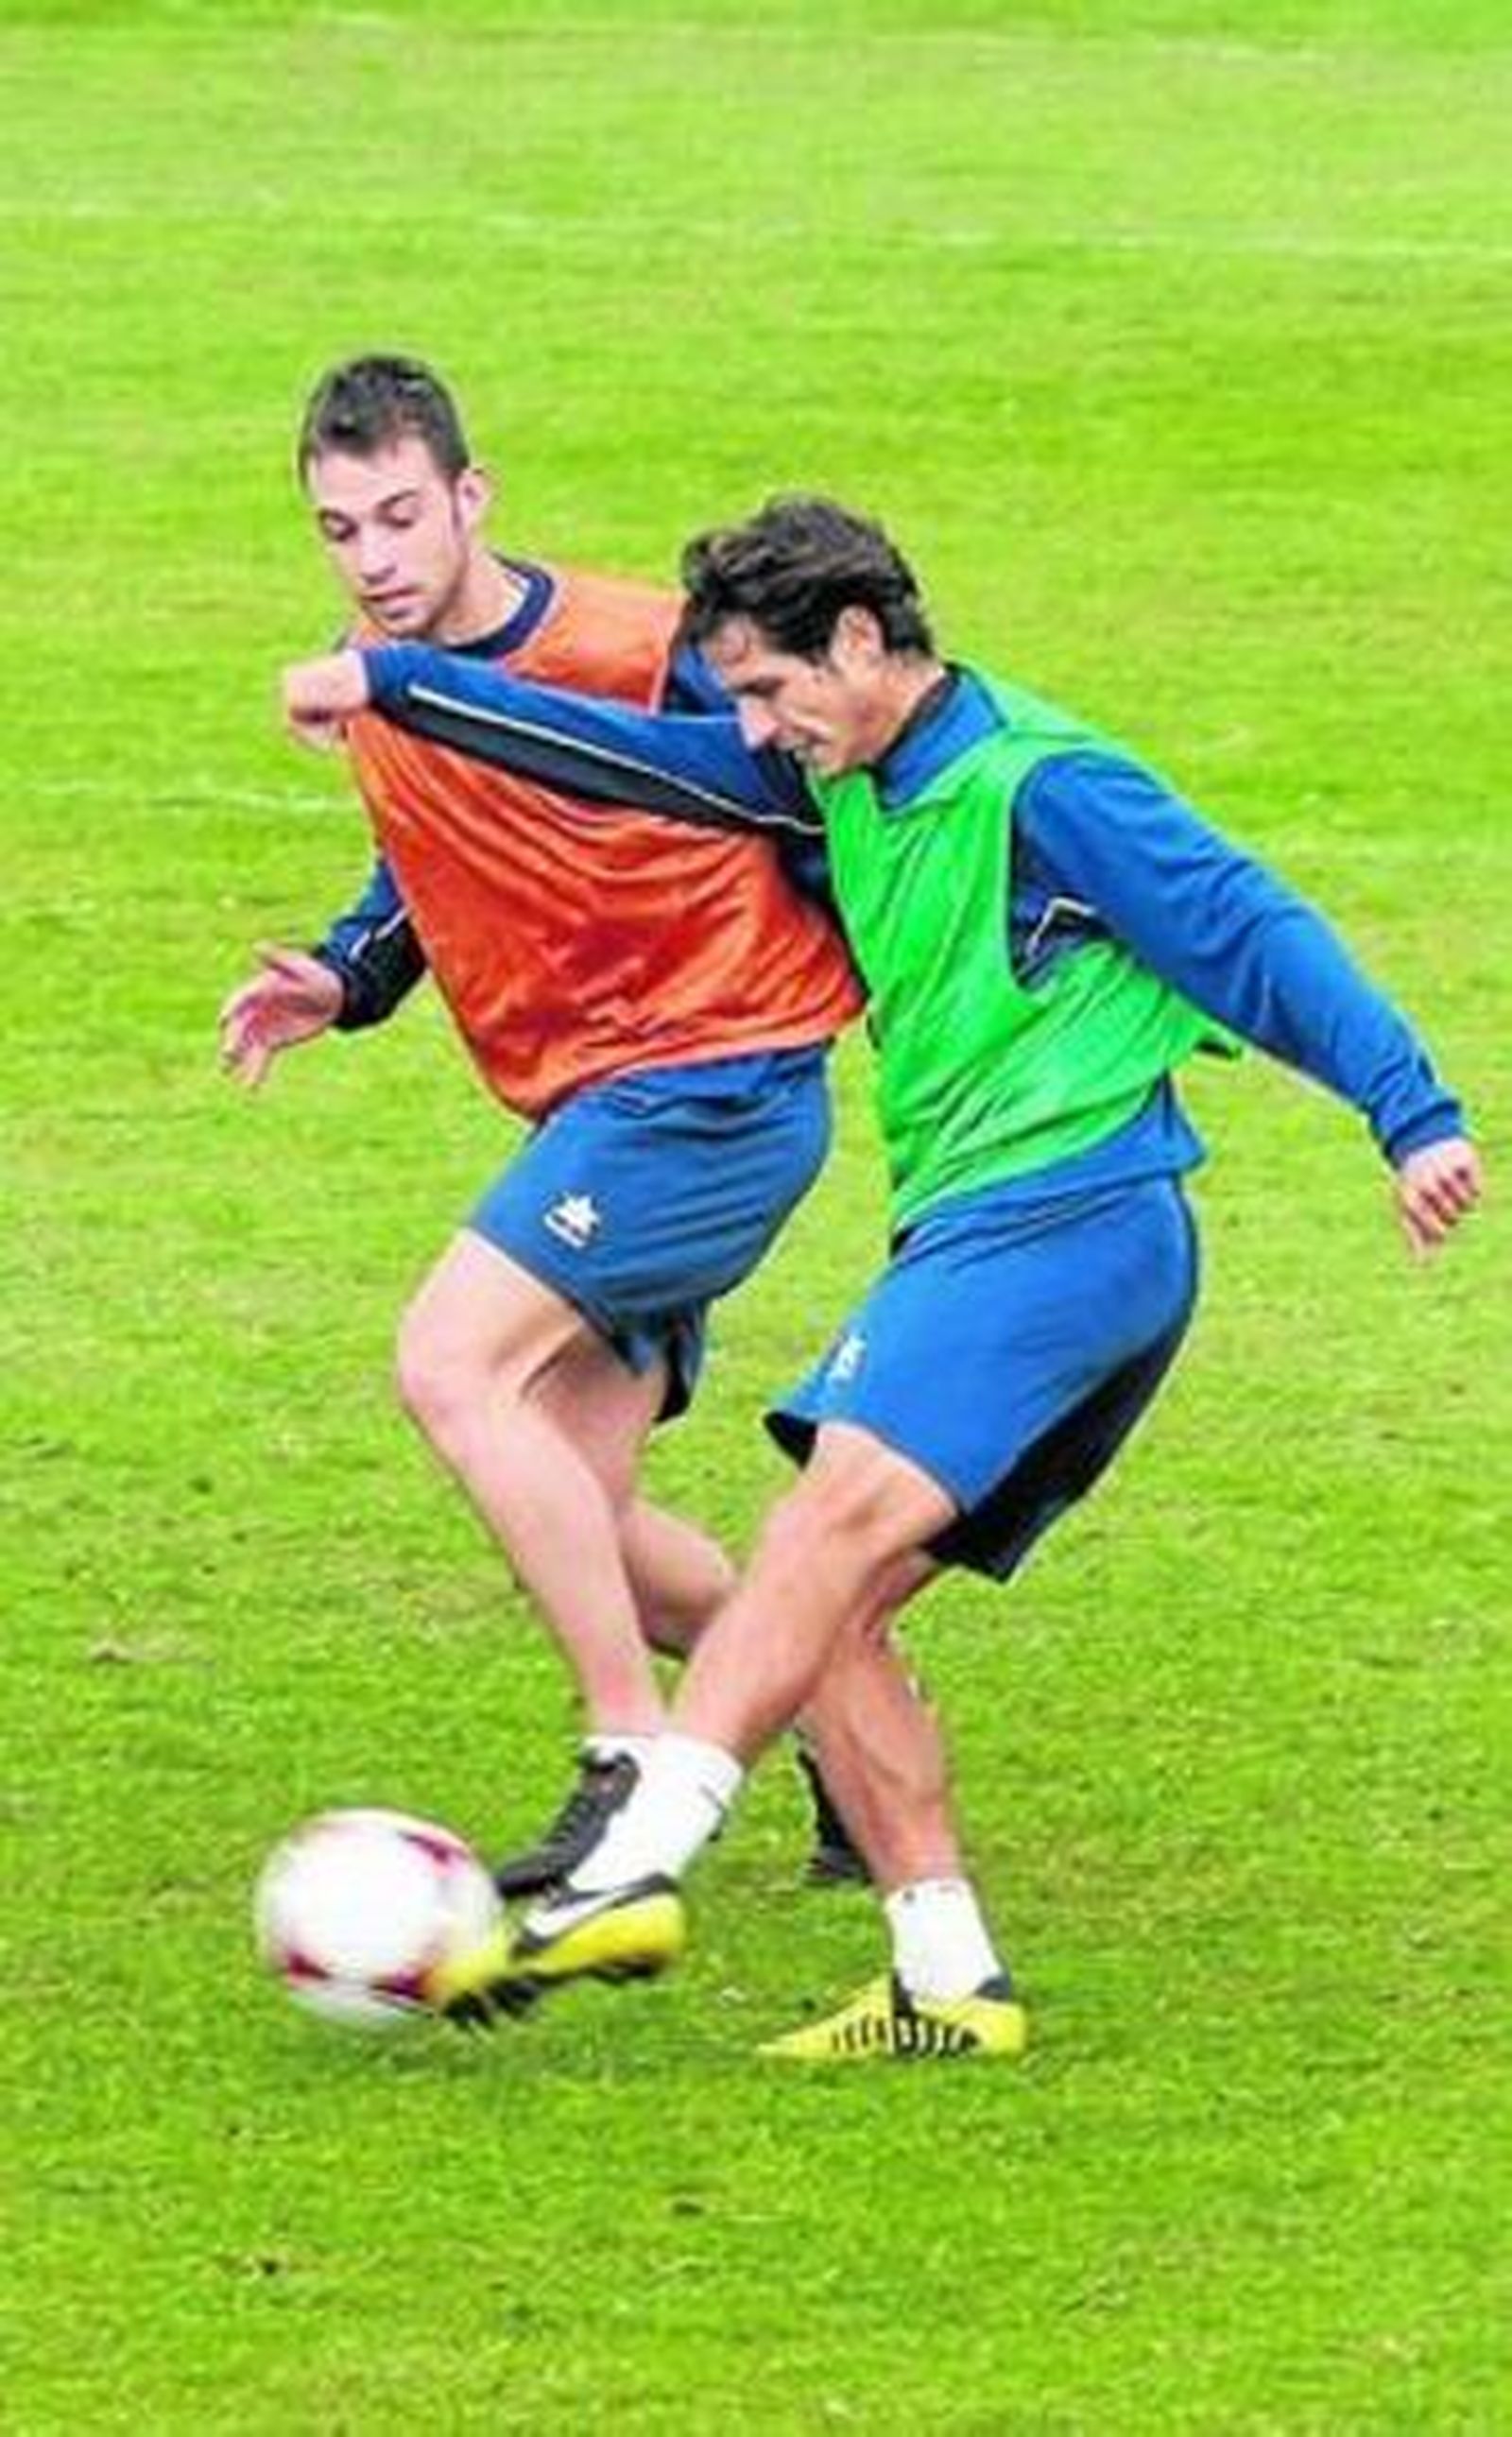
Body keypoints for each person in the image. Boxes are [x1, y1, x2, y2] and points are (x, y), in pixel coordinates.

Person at [282, 494, 1482, 2062]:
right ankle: (944, 1980)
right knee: (831, 1607)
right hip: (995, 1241)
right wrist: (402, 687)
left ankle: (638, 1854)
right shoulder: (834, 777)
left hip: (1067, 1220)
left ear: (861, 641)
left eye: (773, 691)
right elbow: (626, 761)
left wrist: (1412, 1113)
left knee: (817, 1532)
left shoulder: (1042, 787)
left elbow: (1250, 930)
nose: (759, 729)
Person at [224, 369, 868, 1895]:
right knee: (590, 1521)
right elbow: (421, 859)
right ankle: (851, 1713)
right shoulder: (369, 672)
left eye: (399, 515)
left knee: (448, 1360)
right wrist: (346, 974)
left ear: (471, 496)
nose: (374, 557)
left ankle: (627, 1751)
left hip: (717, 1077)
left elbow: (793, 805)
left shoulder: (643, 647)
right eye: (339, 529)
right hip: (601, 1107)